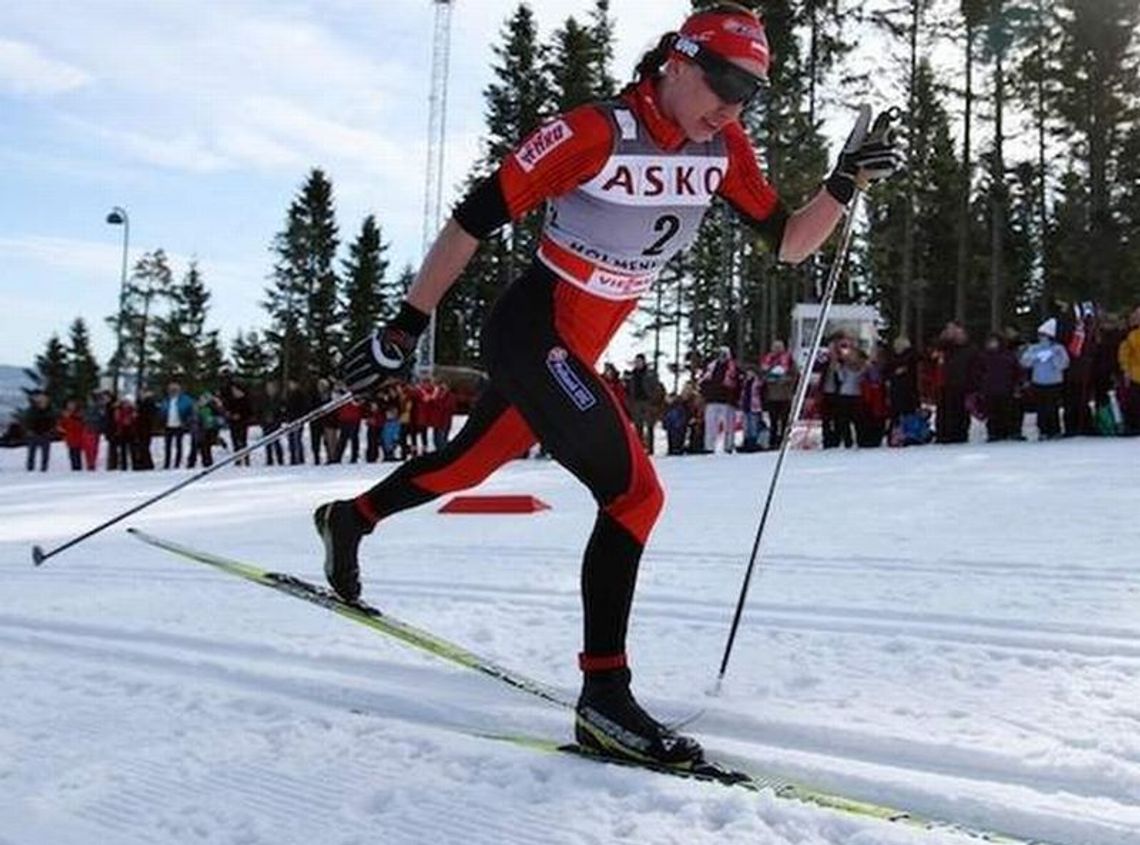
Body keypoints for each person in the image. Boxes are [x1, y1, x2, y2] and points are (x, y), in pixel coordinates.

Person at [314, 4, 900, 768]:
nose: (730, 108)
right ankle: (604, 699)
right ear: (678, 64)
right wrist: (404, 325)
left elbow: (790, 242)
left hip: (577, 350)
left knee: (468, 463)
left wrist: (842, 183)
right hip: (533, 330)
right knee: (636, 494)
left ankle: (349, 519)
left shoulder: (721, 147)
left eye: (748, 95)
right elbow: (470, 220)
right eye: (722, 84)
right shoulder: (594, 132)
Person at [1020, 317, 1070, 440]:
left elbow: (1063, 365)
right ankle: (1043, 430)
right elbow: (1025, 362)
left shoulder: (1058, 348)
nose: (1041, 337)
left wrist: (1053, 356)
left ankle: (1055, 430)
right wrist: (1036, 357)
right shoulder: (1034, 348)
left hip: (1054, 383)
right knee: (1041, 409)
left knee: (1053, 408)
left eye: (1044, 335)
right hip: (1038, 382)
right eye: (1040, 335)